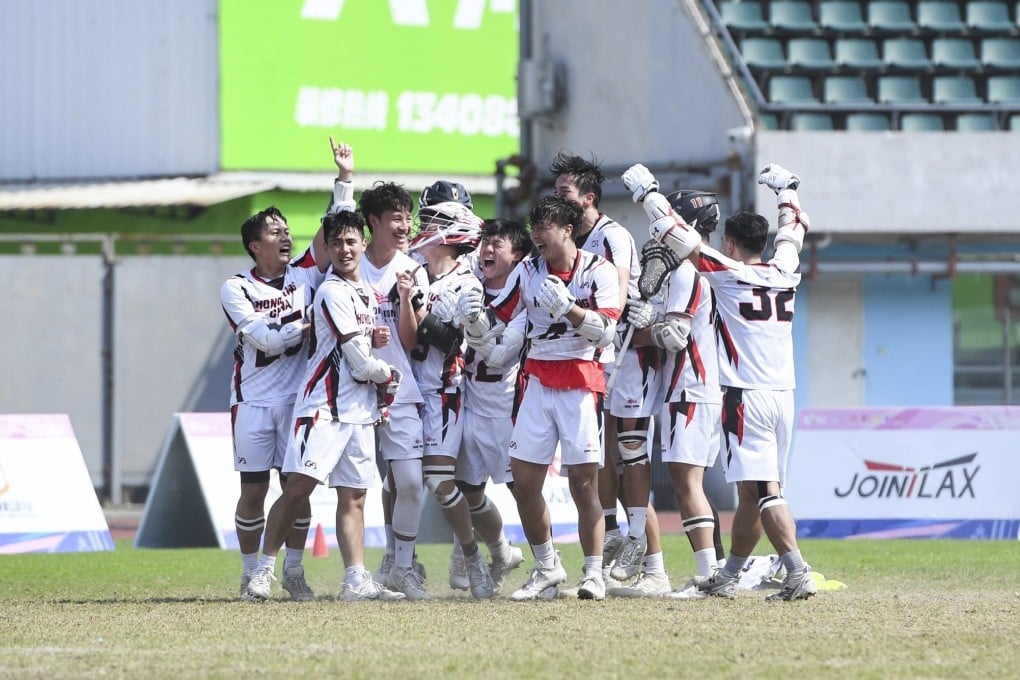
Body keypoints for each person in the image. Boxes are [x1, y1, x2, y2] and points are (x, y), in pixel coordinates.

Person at [623, 161, 817, 602]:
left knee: (765, 491)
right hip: (785, 394)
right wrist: (787, 190)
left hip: (745, 396)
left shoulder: (730, 276)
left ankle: (797, 570)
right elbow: (795, 231)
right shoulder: (784, 271)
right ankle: (728, 573)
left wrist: (647, 194)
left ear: (730, 243)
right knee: (752, 491)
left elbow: (678, 236)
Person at [459, 195, 620, 601]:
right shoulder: (528, 270)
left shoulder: (598, 271)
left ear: (568, 229)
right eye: (534, 227)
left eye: (544, 226)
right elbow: (508, 324)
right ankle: (547, 566)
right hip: (536, 381)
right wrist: (474, 323)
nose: (536, 235)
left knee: (585, 485)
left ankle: (594, 573)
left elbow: (606, 332)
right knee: (524, 483)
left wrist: (570, 310)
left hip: (581, 384)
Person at [243, 209, 405, 602]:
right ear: (328, 248)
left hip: (358, 412)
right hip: (323, 409)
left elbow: (358, 344)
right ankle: (263, 572)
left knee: (354, 497)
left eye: (351, 241)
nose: (344, 249)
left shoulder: (364, 291)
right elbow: (356, 359)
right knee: (297, 489)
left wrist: (375, 341)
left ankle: (355, 579)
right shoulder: (331, 290)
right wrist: (387, 374)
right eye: (336, 243)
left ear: (364, 243)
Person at [220, 137, 351, 601]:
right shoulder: (236, 288)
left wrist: (344, 180)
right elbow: (268, 339)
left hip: (299, 401)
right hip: (253, 401)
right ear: (255, 246)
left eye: (286, 229)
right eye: (274, 231)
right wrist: (306, 321)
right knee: (253, 491)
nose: (285, 235)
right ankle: (250, 569)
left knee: (296, 490)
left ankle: (293, 571)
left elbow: (334, 229)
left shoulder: (304, 274)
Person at [550, 152, 663, 585]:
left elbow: (615, 292)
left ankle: (647, 554)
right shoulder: (569, 241)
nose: (557, 201)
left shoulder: (612, 235)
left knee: (631, 450)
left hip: (627, 352)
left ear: (588, 198)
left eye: (565, 193)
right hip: (596, 355)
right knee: (603, 455)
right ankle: (618, 534)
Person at [614, 190, 725, 599]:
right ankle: (712, 572)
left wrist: (629, 328)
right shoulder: (703, 271)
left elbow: (673, 336)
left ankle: (710, 574)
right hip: (694, 387)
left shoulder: (686, 274)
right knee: (687, 482)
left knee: (687, 483)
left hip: (690, 386)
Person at [406, 200, 495, 599]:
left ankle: (474, 557)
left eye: (433, 222)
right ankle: (400, 562)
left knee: (441, 482)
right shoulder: (411, 270)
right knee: (400, 480)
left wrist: (417, 308)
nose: (424, 227)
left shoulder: (467, 282)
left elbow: (452, 339)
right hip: (406, 392)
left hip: (444, 389)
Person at [359, 181, 432, 600]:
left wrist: (405, 299)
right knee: (351, 485)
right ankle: (299, 569)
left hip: (399, 388)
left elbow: (410, 341)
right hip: (350, 388)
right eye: (396, 218)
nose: (405, 226)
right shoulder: (349, 263)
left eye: (408, 217)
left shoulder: (413, 268)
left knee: (409, 481)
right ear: (374, 222)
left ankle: (401, 567)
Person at [454, 218, 530, 592]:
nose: (486, 250)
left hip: (505, 409)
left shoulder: (525, 296)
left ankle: (547, 562)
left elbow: (500, 357)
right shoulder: (471, 285)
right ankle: (500, 551)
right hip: (469, 402)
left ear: (516, 254)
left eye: (496, 244)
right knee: (466, 491)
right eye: (484, 242)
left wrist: (475, 327)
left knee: (524, 491)